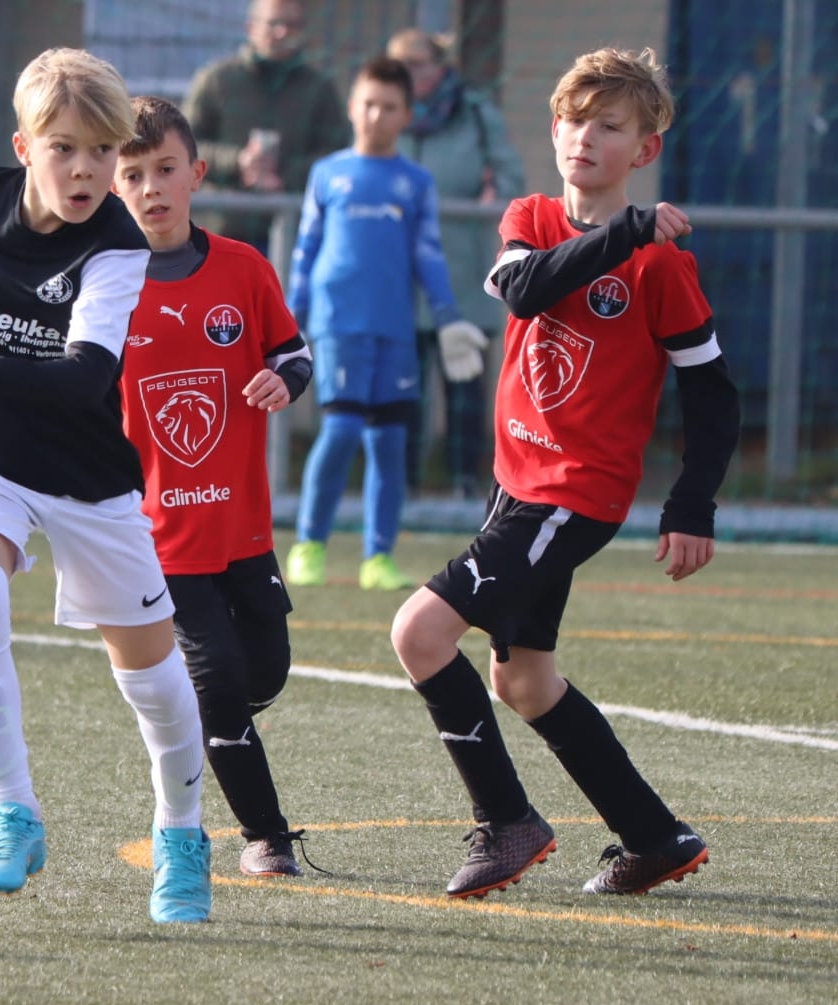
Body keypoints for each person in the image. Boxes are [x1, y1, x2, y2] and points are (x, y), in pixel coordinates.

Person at [388, 47, 739, 899]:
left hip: (572, 495)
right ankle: (655, 837)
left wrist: (692, 504)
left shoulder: (662, 264)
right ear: (552, 129)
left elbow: (713, 394)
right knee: (523, 680)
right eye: (574, 120)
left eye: (609, 126)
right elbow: (523, 291)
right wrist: (624, 231)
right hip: (517, 486)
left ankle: (507, 822)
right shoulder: (533, 216)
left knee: (419, 634)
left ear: (644, 150)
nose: (586, 137)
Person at [0, 48, 211, 923]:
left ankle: (182, 834)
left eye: (102, 153)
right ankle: (13, 813)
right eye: (65, 149)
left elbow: (85, 378)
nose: (86, 171)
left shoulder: (116, 243)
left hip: (86, 475)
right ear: (24, 146)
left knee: (153, 678)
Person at [112, 95, 315, 877]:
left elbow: (294, 354)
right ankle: (266, 837)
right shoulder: (105, 285)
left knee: (266, 669)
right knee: (222, 682)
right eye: (134, 175)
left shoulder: (244, 268)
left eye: (165, 169)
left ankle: (204, 723)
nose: (152, 188)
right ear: (115, 185)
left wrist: (283, 380)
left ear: (196, 173)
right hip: (160, 538)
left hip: (244, 528)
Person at [284, 57, 488, 591]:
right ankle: (308, 544)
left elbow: (429, 256)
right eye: (369, 104)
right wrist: (289, 320)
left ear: (407, 115)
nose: (377, 115)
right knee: (342, 429)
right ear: (353, 108)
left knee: (390, 441)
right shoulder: (328, 174)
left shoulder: (415, 182)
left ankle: (378, 556)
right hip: (338, 325)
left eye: (389, 107)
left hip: (395, 330)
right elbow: (306, 250)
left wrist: (448, 319)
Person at [386, 28, 525, 499]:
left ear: (440, 66)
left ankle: (466, 482)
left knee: (465, 385)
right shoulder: (387, 112)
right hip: (400, 275)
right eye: (399, 65)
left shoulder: (476, 115)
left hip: (462, 269)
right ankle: (403, 483)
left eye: (417, 64)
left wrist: (495, 194)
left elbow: (509, 175)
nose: (407, 75)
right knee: (405, 388)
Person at [181, 0, 349, 253]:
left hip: (294, 234)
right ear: (251, 27)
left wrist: (284, 175)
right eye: (274, 23)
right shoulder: (217, 80)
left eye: (292, 25)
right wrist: (239, 162)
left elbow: (336, 155)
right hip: (221, 229)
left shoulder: (319, 89)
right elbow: (185, 148)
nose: (282, 32)